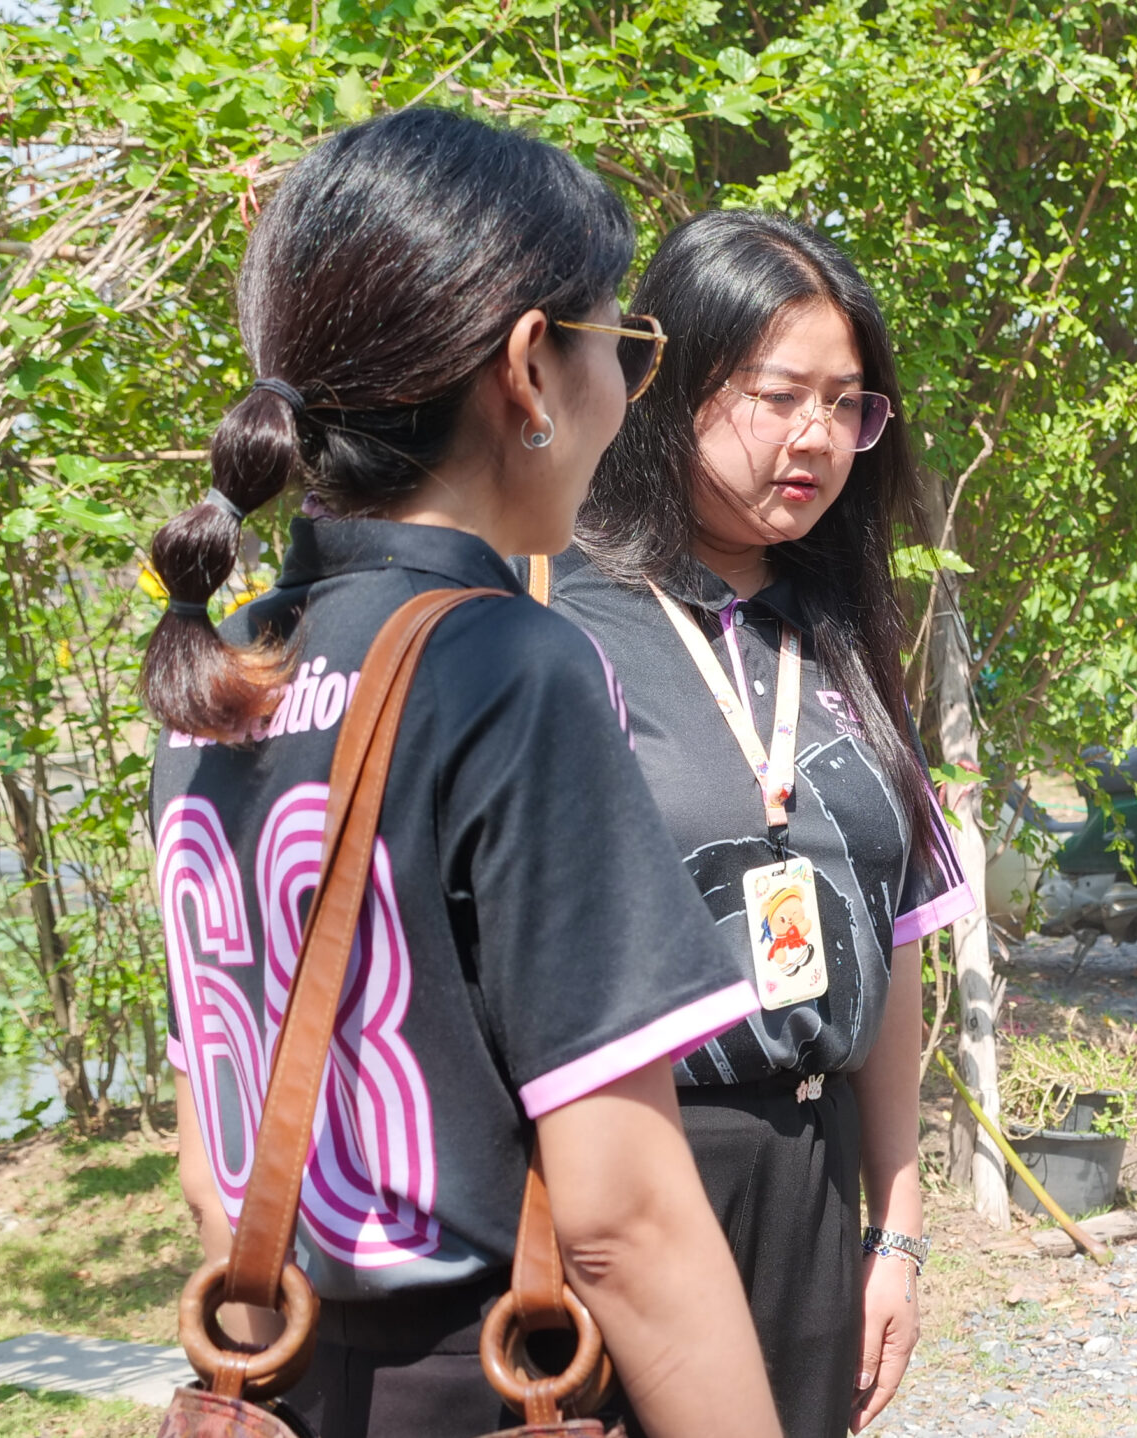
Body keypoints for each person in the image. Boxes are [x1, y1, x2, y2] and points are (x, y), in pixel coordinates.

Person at [144, 109, 782, 1438]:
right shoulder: (505, 662)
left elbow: (214, 1168)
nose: (628, 391)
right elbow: (623, 1221)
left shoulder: (223, 670)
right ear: (530, 369)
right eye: (624, 345)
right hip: (479, 1385)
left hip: (280, 1375)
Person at [533, 208, 969, 1438]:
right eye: (779, 396)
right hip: (626, 1184)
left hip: (815, 1185)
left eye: (847, 405)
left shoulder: (843, 633)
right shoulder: (554, 613)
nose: (816, 437)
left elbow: (895, 945)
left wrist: (896, 1233)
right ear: (669, 386)